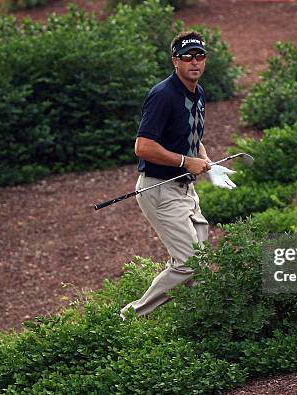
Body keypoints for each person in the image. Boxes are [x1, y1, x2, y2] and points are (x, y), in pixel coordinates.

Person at [120, 31, 235, 319]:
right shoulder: (163, 95)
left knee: (198, 263)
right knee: (189, 263)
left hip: (185, 191)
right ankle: (130, 316)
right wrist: (186, 162)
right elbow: (142, 146)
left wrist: (208, 164)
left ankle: (197, 322)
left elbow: (192, 138)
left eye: (200, 56)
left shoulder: (198, 94)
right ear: (175, 61)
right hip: (159, 189)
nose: (194, 62)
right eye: (187, 57)